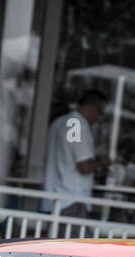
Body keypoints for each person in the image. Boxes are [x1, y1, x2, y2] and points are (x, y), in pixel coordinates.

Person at [42, 89, 108, 217]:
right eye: (100, 112)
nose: (98, 118)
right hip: (71, 198)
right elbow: (84, 166)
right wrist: (102, 162)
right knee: (70, 237)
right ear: (92, 107)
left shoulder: (59, 122)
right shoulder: (77, 126)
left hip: (54, 196)